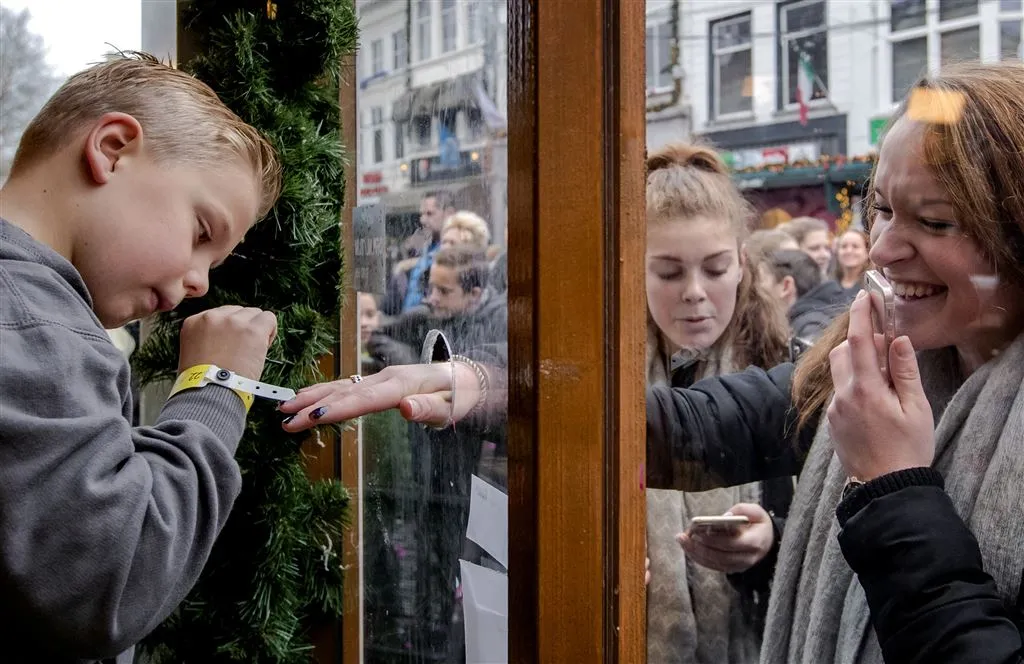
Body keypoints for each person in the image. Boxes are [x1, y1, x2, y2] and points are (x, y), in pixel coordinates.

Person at [283, 62, 1024, 662]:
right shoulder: (879, 361)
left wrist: (892, 487)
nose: (888, 249)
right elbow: (698, 425)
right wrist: (480, 384)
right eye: (882, 210)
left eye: (934, 221)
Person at [0, 53, 281, 662]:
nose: (201, 282)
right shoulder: (35, 327)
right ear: (113, 148)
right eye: (202, 232)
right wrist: (215, 387)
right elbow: (109, 580)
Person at [643, 143, 791, 662]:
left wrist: (772, 541)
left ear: (742, 264)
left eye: (715, 268)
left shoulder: (787, 367)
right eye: (667, 272)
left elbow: (836, 539)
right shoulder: (603, 377)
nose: (694, 292)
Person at [832, 228, 872, 296]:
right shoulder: (826, 287)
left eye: (855, 246)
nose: (849, 251)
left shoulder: (871, 289)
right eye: (844, 246)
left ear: (867, 253)